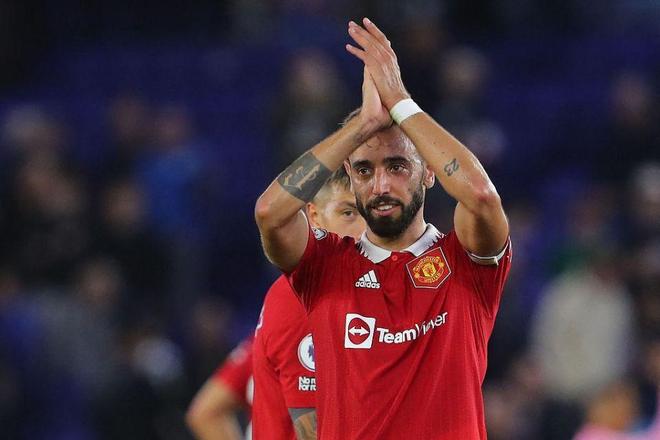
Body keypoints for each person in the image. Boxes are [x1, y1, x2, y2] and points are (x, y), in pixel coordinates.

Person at [254, 17, 511, 440]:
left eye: (397, 166)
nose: (380, 186)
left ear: (429, 172)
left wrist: (401, 103)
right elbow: (270, 213)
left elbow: (482, 197)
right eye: (363, 170)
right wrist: (362, 127)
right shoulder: (324, 266)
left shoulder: (465, 262)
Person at [187, 169, 365, 440]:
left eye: (370, 214)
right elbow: (315, 432)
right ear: (314, 217)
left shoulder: (348, 300)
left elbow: (205, 412)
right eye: (348, 213)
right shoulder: (306, 301)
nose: (364, 230)